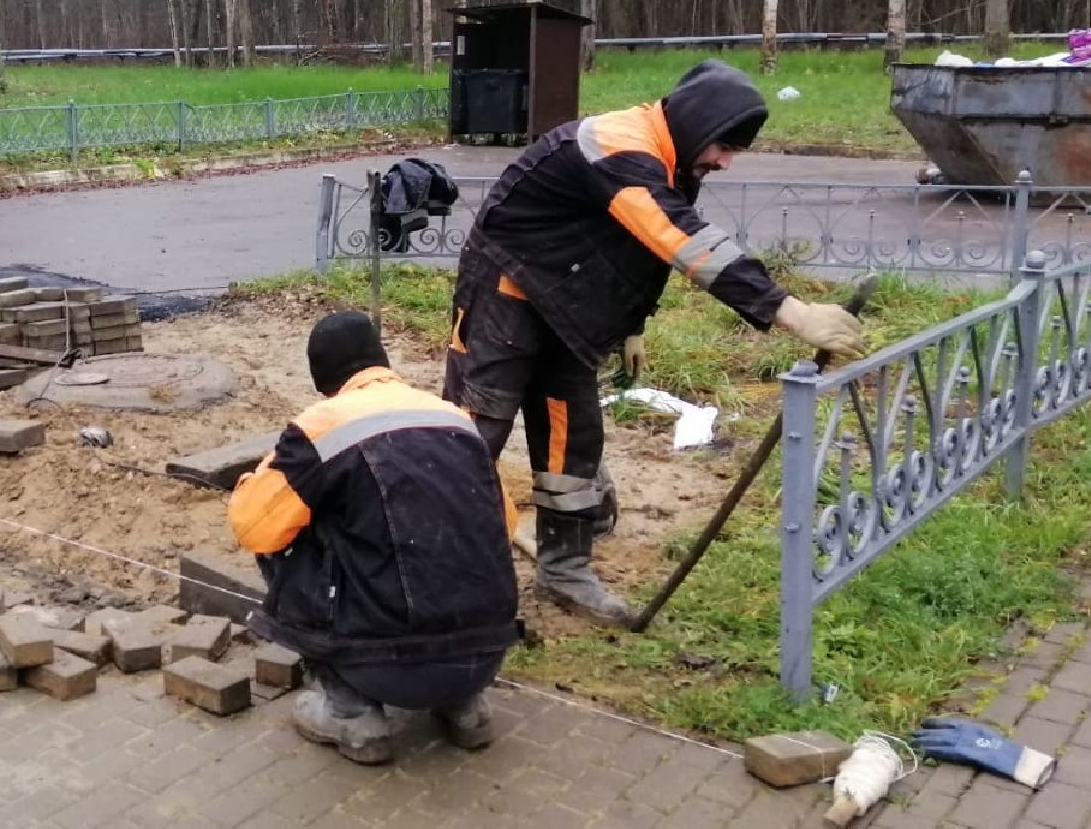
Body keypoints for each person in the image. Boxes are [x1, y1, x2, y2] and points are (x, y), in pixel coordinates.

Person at [445, 58, 866, 627]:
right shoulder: (619, 146)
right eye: (724, 146)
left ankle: (562, 570)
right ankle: (432, 568)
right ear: (697, 123)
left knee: (572, 436)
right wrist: (787, 309)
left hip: (566, 304)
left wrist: (632, 325)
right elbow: (678, 239)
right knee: (476, 429)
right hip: (506, 289)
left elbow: (641, 253)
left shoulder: (671, 159)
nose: (725, 161)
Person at [229, 312, 520, 765]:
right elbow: (506, 526)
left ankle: (352, 713)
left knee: (284, 537)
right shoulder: (457, 420)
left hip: (382, 667)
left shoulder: (323, 424)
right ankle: (465, 708)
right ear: (382, 363)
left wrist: (258, 477)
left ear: (323, 381)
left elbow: (252, 526)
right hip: (482, 657)